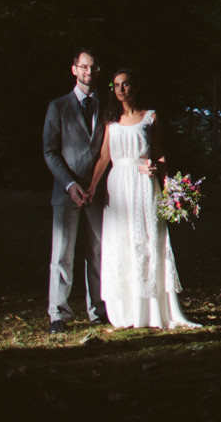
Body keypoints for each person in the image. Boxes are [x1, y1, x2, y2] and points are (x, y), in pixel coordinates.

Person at [86, 68, 198, 328]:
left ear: (135, 87)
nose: (121, 89)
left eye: (125, 84)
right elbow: (104, 156)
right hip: (118, 185)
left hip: (145, 184)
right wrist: (92, 186)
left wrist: (166, 184)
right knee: (120, 242)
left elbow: (159, 154)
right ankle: (124, 311)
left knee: (146, 239)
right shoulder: (110, 119)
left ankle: (152, 309)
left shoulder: (151, 117)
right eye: (116, 85)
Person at [42, 49, 109, 334]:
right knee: (62, 254)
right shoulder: (58, 107)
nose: (88, 72)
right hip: (66, 191)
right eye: (83, 67)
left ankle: (98, 310)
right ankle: (58, 314)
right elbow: (50, 151)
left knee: (97, 253)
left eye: (93, 68)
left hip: (99, 192)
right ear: (74, 69)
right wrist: (70, 184)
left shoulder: (107, 107)